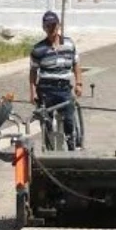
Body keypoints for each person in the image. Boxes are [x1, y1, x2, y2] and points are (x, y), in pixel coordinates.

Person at [29, 10, 83, 150]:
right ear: (44, 28)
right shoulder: (38, 49)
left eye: (53, 25)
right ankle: (49, 150)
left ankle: (72, 146)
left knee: (69, 119)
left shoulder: (69, 44)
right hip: (46, 90)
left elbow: (76, 64)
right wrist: (33, 92)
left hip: (64, 88)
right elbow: (33, 72)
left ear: (59, 26)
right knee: (46, 121)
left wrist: (78, 84)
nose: (51, 29)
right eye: (48, 26)